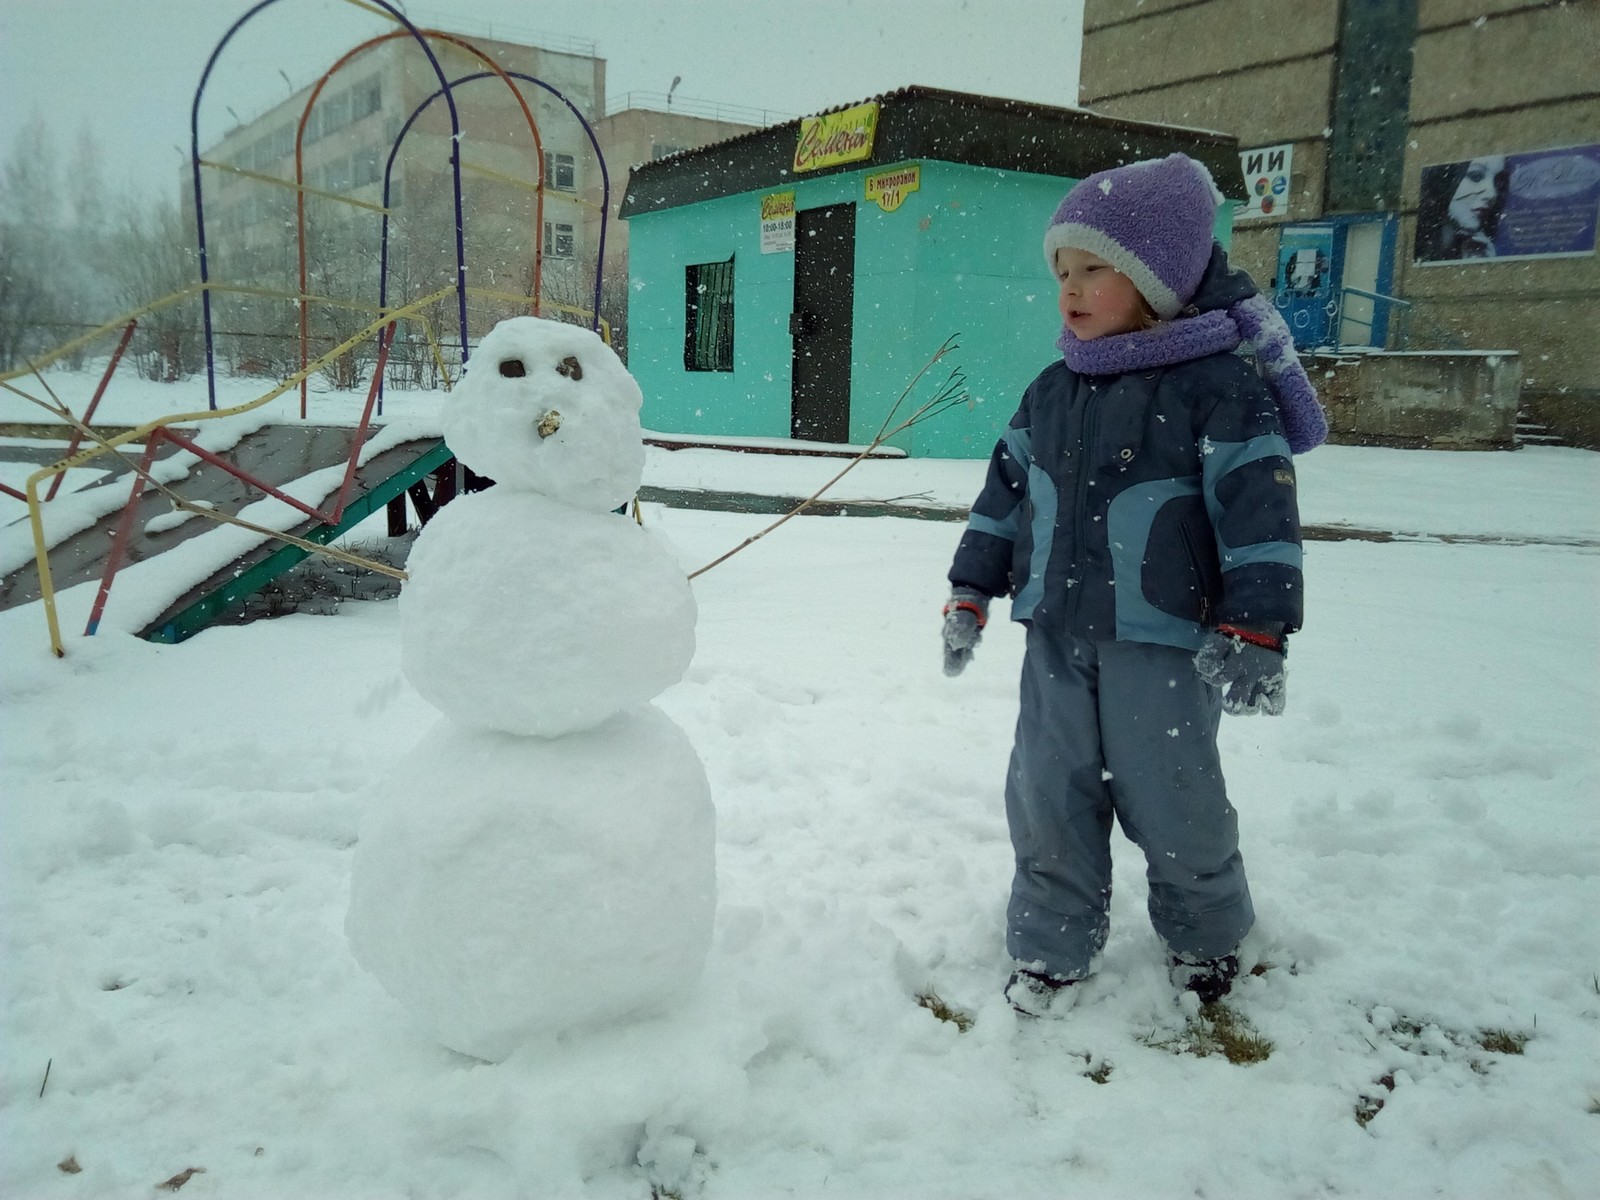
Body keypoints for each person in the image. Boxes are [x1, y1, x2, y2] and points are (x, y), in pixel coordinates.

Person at [940, 153, 1328, 1017]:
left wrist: (1259, 629)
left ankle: (1206, 935)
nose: (1070, 290)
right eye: (1062, 273)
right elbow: (1004, 498)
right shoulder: (1052, 391)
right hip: (1055, 637)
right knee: (1046, 792)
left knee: (1173, 790)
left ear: (1159, 280)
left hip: (1166, 644)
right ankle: (1050, 945)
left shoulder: (1218, 390)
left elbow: (1260, 513)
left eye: (1093, 270)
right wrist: (971, 588)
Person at [1417, 155, 1510, 261]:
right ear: (1445, 182)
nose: (1492, 194)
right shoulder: (1418, 249)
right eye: (1476, 176)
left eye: (1498, 183)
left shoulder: (1484, 248)